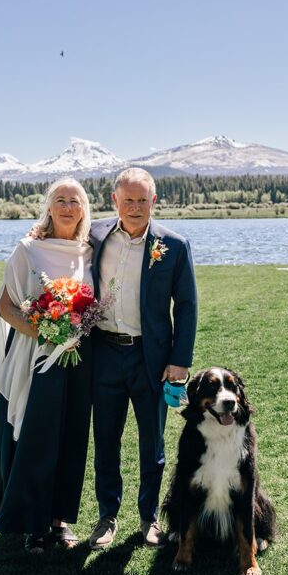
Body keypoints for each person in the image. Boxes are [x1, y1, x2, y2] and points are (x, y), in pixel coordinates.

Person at [0, 177, 93, 553]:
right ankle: (32, 524)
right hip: (35, 357)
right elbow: (6, 308)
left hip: (77, 361)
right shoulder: (28, 249)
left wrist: (69, 336)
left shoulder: (89, 251)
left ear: (84, 208)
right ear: (48, 206)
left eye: (74, 201)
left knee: (70, 438)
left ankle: (59, 522)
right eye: (59, 200)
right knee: (35, 438)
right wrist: (45, 332)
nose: (67, 207)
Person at [88, 167, 198, 551]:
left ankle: (149, 517)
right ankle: (107, 516)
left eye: (142, 200)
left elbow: (186, 305)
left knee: (153, 442)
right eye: (127, 200)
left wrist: (181, 360)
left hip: (151, 359)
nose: (134, 208)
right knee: (106, 439)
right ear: (114, 200)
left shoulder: (175, 245)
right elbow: (61, 241)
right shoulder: (96, 235)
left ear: (154, 202)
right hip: (103, 354)